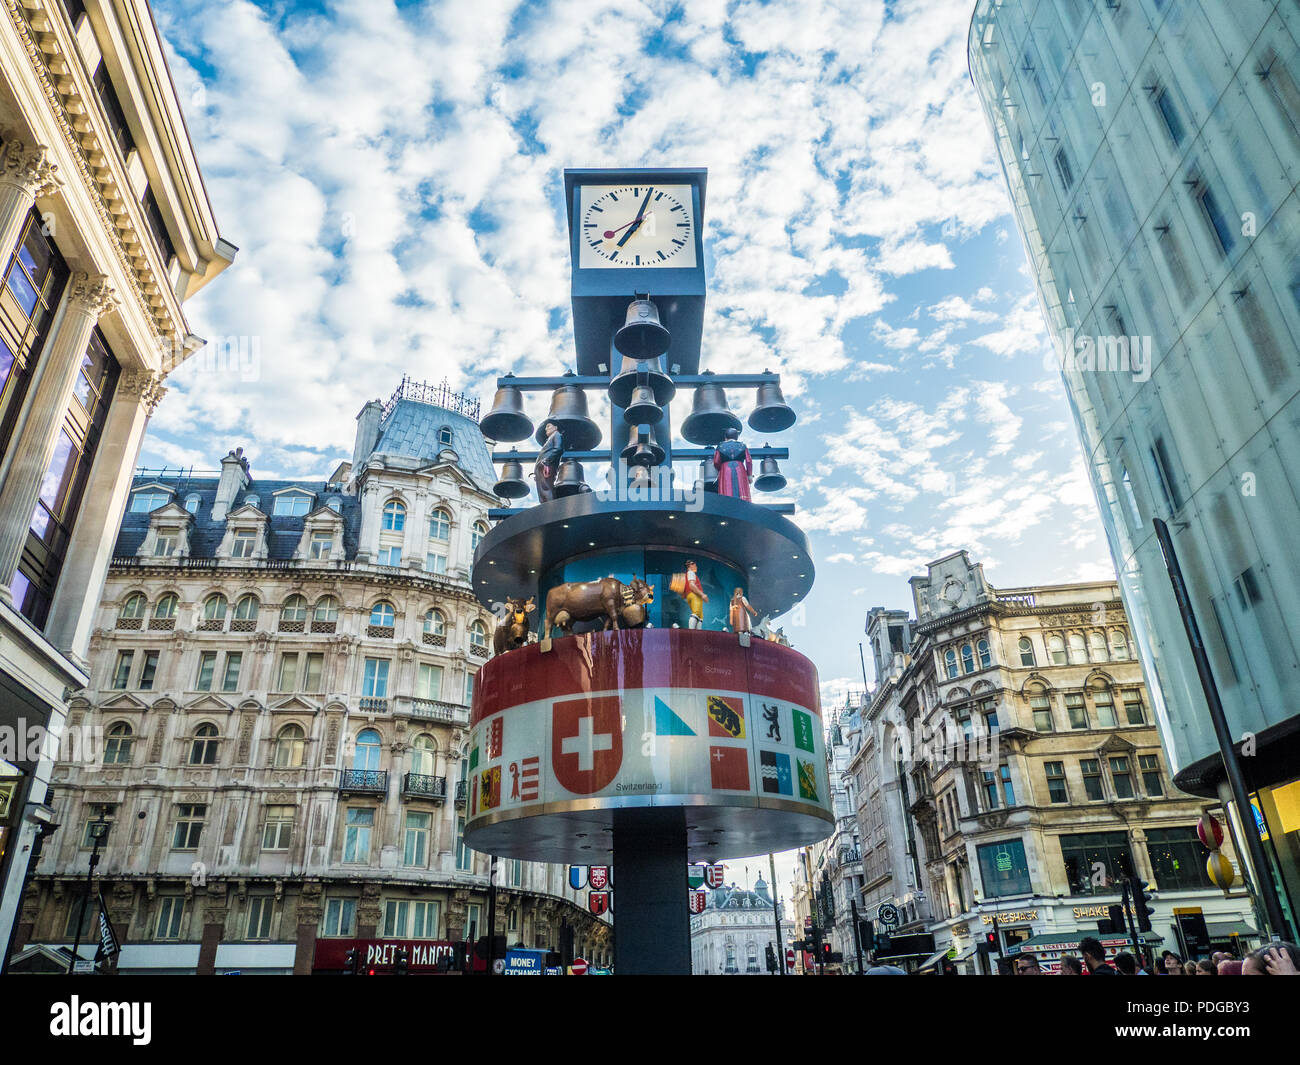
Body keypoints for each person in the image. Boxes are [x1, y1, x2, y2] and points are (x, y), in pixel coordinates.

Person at [712, 427, 753, 501]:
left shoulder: (720, 446)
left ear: (725, 437)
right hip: (739, 468)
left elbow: (716, 462)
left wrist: (720, 470)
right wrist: (749, 475)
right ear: (737, 436)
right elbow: (749, 461)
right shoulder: (742, 445)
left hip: (725, 468)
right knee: (741, 490)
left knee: (727, 490)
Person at [534, 421, 563, 503]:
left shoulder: (557, 435)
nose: (546, 429)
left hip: (547, 465)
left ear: (555, 427)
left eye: (548, 426)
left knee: (546, 487)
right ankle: (544, 505)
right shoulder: (550, 438)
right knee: (542, 489)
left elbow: (558, 449)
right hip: (542, 467)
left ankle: (550, 506)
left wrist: (547, 461)